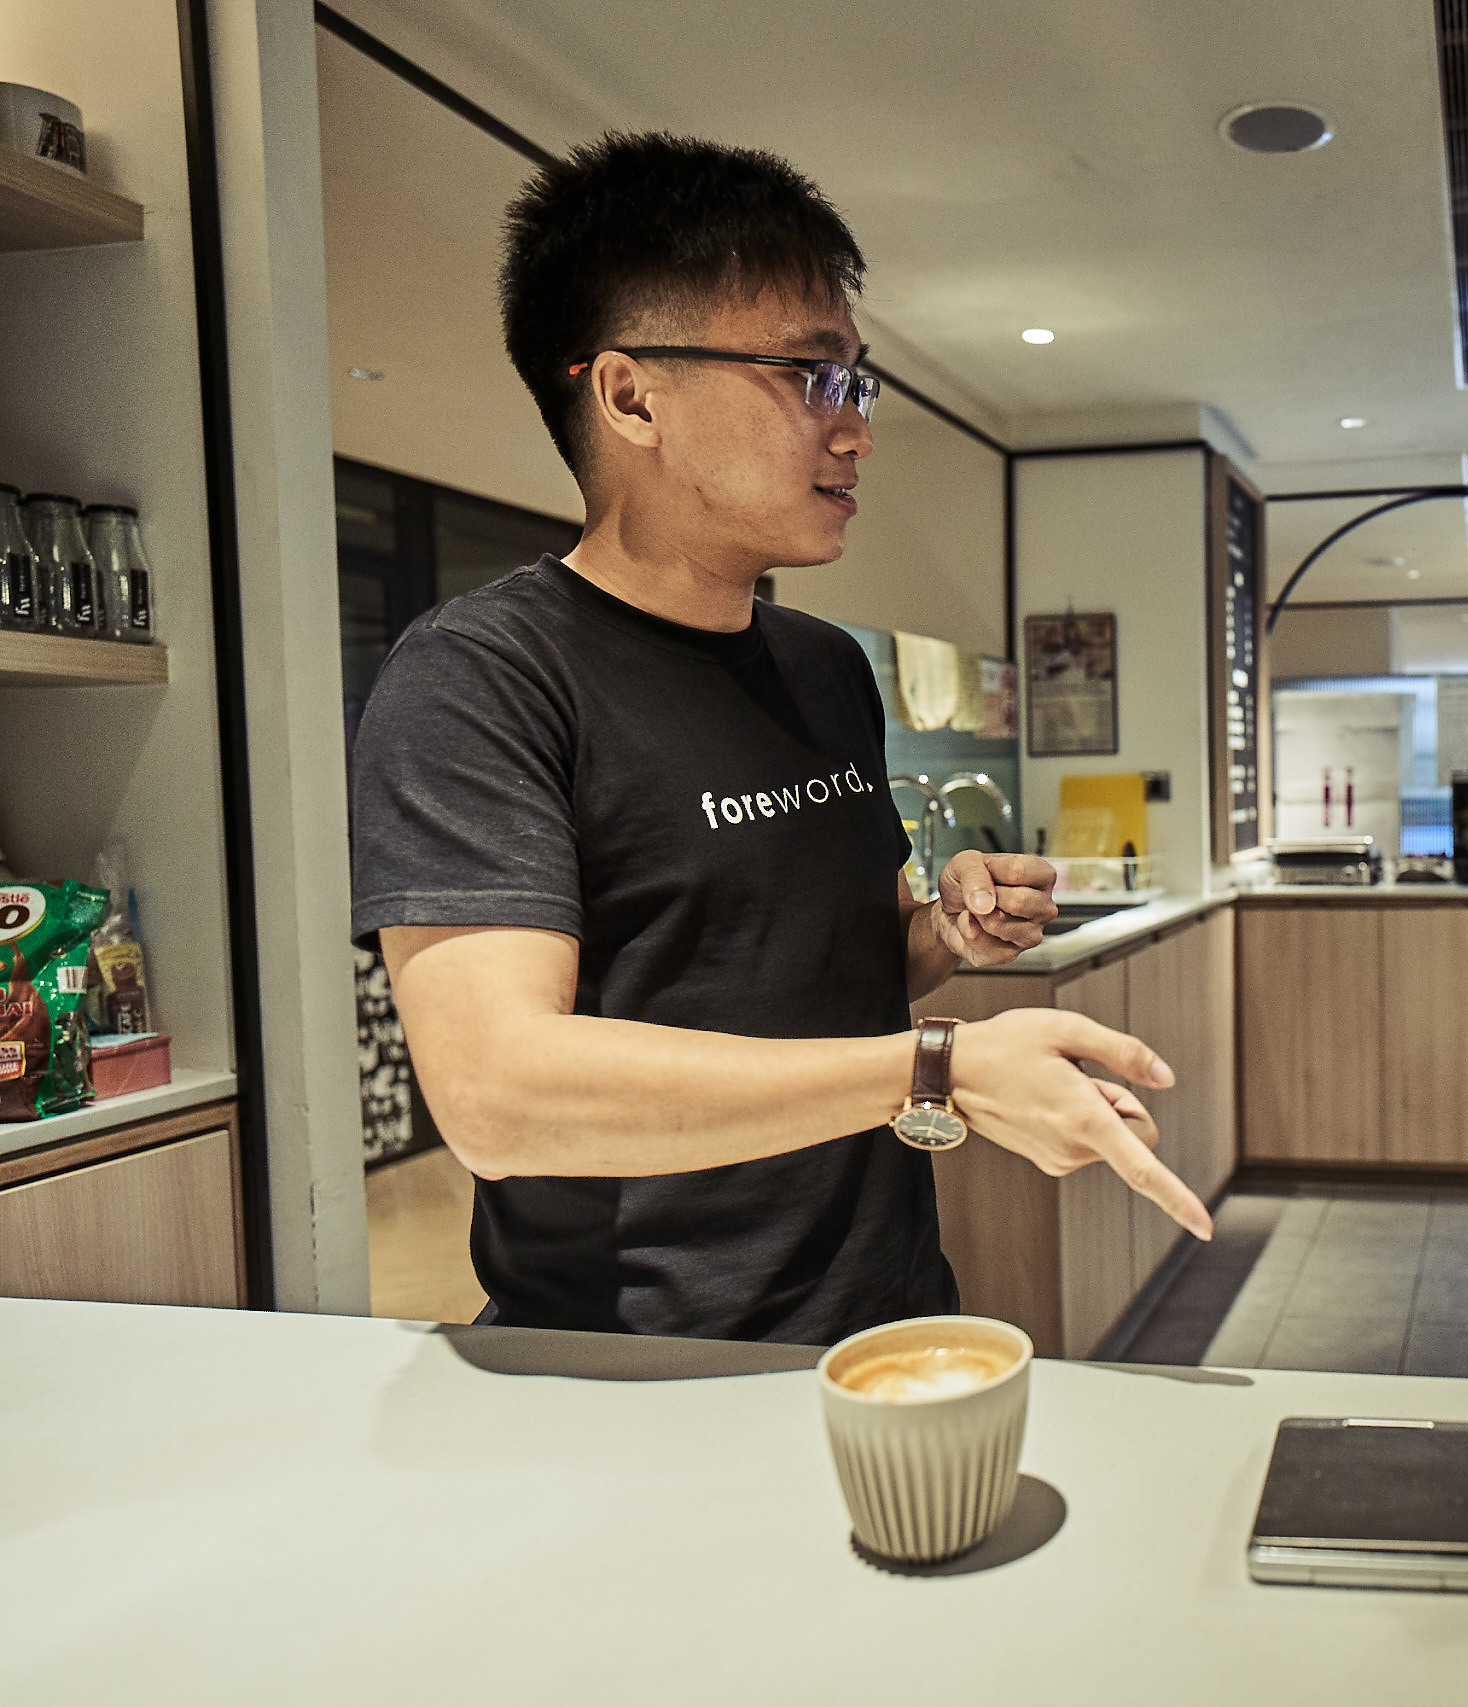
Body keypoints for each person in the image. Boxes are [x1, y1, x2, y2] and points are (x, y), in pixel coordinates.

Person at [350, 133, 1209, 1346]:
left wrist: (938, 928)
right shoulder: (483, 678)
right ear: (631, 393)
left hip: (892, 1308)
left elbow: (829, 971)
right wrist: (937, 1069)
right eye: (810, 376)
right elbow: (499, 1095)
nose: (854, 430)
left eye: (857, 385)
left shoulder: (822, 665)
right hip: (636, 1361)